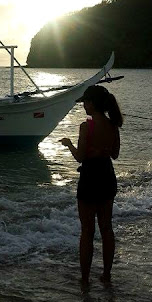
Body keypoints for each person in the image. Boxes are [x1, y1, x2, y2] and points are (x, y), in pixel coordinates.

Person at [60, 85, 123, 287]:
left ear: (92, 104)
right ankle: (106, 275)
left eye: (85, 102)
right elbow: (115, 154)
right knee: (106, 228)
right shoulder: (113, 125)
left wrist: (69, 144)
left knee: (87, 231)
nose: (83, 106)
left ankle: (85, 279)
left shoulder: (86, 127)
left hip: (90, 177)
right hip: (107, 176)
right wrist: (101, 150)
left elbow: (80, 157)